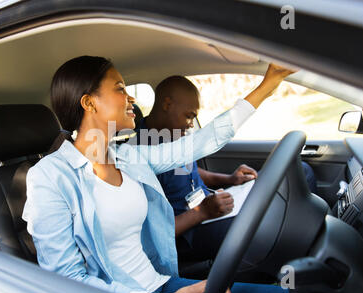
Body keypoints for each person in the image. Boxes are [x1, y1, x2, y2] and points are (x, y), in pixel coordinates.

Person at [22, 55, 293, 293]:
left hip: (163, 284)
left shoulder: (129, 156)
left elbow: (199, 143)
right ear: (89, 102)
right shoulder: (48, 178)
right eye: (120, 88)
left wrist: (267, 86)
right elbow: (67, 282)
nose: (132, 99)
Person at [133, 74, 318, 268]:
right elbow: (152, 233)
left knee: (300, 172)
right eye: (189, 116)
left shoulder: (174, 134)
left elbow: (188, 172)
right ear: (167, 104)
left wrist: (230, 179)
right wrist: (201, 212)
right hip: (190, 232)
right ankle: (298, 273)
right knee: (264, 223)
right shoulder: (140, 153)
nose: (190, 125)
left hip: (210, 207)